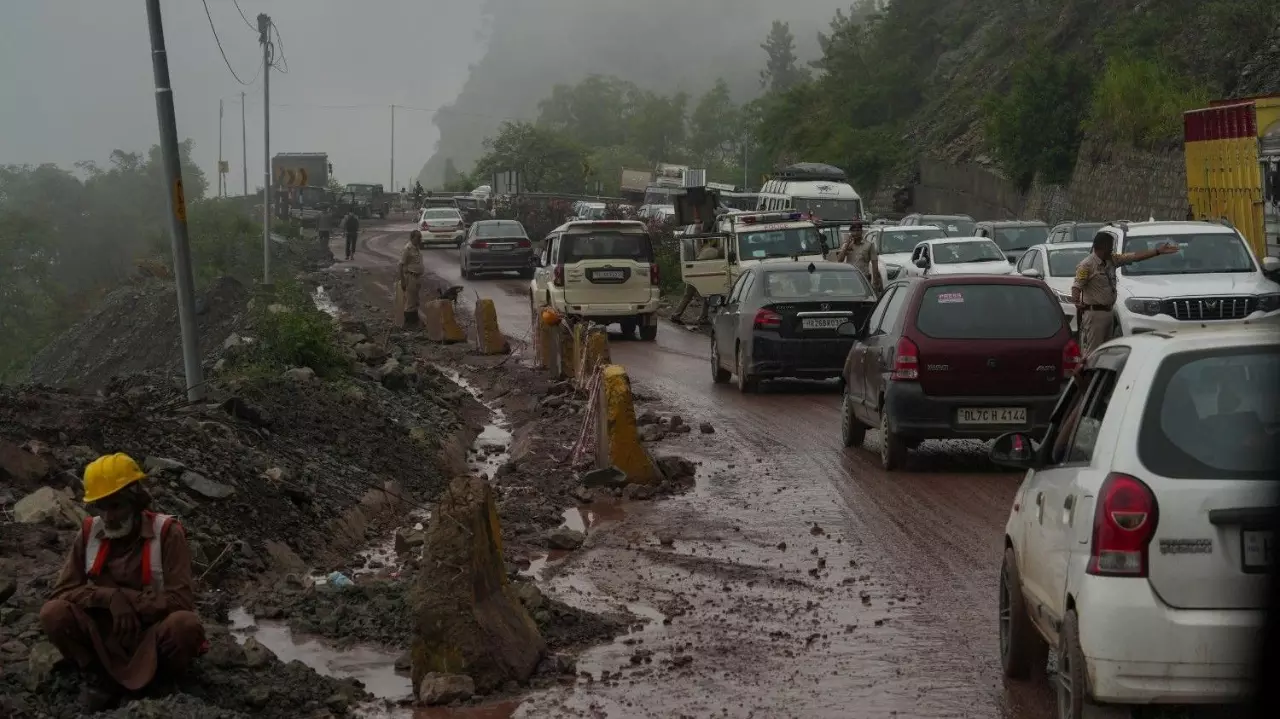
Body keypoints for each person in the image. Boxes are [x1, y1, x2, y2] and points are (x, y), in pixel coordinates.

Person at [39, 453, 205, 709]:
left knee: (185, 626)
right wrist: (108, 598)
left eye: (116, 506)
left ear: (136, 501)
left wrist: (129, 601)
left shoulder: (167, 533)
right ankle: (96, 676)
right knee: (53, 614)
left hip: (150, 634)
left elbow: (181, 601)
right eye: (101, 507)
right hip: (102, 636)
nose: (108, 517)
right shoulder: (89, 532)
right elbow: (63, 591)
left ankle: (159, 682)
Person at [1072, 231, 1178, 355]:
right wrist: (1076, 300)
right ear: (1102, 246)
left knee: (1105, 352)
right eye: (1110, 246)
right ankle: (1088, 368)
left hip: (1108, 312)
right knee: (1093, 352)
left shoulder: (1111, 260)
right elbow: (1077, 286)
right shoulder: (1086, 265)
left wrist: (1157, 251)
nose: (1111, 249)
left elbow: (1134, 256)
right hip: (1095, 315)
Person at [671, 237, 723, 325]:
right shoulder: (712, 251)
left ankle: (676, 315)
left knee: (688, 296)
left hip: (694, 274)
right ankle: (702, 317)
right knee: (706, 296)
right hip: (701, 276)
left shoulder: (705, 250)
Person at [836, 228, 884, 295]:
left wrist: (875, 282)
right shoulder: (847, 245)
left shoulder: (869, 245)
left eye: (858, 230)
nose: (856, 233)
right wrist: (847, 244)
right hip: (850, 278)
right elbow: (839, 260)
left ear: (861, 231)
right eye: (853, 231)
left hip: (864, 278)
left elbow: (875, 264)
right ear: (850, 232)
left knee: (865, 298)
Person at [399, 230, 425, 326]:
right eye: (418, 238)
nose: (420, 240)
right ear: (412, 238)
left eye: (420, 237)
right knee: (410, 301)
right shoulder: (407, 249)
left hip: (417, 277)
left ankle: (414, 321)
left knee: (415, 300)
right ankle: (408, 322)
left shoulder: (416, 248)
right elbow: (400, 265)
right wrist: (402, 280)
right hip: (411, 277)